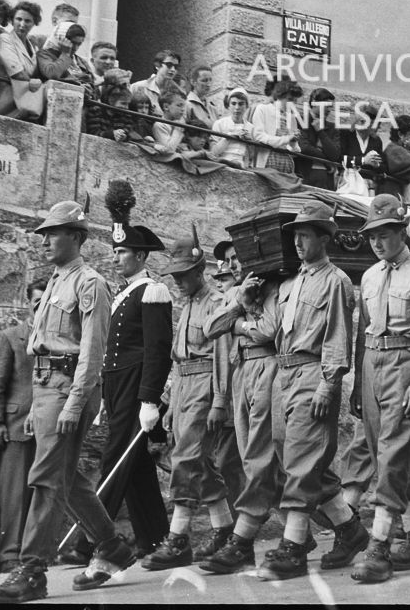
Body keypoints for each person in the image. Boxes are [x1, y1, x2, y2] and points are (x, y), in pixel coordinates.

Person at [0, 200, 136, 604]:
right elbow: (40, 347)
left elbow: (92, 349)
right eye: (45, 233)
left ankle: (32, 569)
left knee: (47, 477)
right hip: (46, 386)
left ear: (77, 237)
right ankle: (111, 546)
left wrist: (73, 402)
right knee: (66, 480)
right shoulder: (55, 280)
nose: (46, 239)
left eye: (54, 232)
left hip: (70, 386)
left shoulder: (90, 283)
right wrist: (37, 403)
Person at [259, 202, 366, 580]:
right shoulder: (291, 282)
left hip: (312, 373)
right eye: (296, 235)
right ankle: (350, 529)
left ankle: (294, 548)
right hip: (283, 372)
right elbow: (269, 330)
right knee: (294, 460)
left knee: (304, 460)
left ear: (324, 237)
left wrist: (329, 382)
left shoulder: (335, 280)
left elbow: (338, 334)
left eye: (306, 234)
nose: (299, 241)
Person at [67, 185, 173, 565]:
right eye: (113, 251)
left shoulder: (154, 291)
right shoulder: (123, 292)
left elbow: (157, 351)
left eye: (122, 252)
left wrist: (149, 398)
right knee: (137, 464)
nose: (115, 259)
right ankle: (158, 539)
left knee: (115, 459)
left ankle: (91, 541)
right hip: (116, 386)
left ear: (140, 255)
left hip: (135, 387)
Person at [350, 194, 410, 584]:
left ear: (401, 232)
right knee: (384, 454)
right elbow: (361, 333)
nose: (377, 242)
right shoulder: (370, 276)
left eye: (385, 233)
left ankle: (379, 546)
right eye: (372, 235)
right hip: (373, 366)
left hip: (406, 365)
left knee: (393, 455)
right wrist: (358, 385)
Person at [141, 229, 234, 570]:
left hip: (206, 386)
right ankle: (224, 529)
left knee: (186, 457)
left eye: (184, 274)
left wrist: (220, 400)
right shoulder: (189, 304)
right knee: (201, 464)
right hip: (183, 386)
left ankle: (178, 540)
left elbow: (223, 355)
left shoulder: (216, 303)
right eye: (175, 275)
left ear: (200, 271)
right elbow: (180, 357)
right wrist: (168, 400)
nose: (178, 281)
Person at [201, 240, 285, 573]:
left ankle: (243, 540)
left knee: (259, 458)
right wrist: (239, 301)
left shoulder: (272, 286)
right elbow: (210, 328)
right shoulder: (237, 292)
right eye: (229, 261)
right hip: (243, 373)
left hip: (268, 368)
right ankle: (342, 526)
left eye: (237, 258)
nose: (234, 265)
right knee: (259, 459)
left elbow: (267, 332)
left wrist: (241, 321)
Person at [0, 280, 45, 571]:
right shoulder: (10, 337)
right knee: (13, 494)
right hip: (16, 426)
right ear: (28, 303)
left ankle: (33, 554)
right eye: (36, 301)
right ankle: (10, 554)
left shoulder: (55, 337)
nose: (40, 305)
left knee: (41, 492)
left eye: (46, 300)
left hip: (47, 428)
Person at [209, 241, 246, 518]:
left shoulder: (241, 297)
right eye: (220, 277)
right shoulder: (226, 302)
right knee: (229, 464)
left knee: (229, 464)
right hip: (230, 396)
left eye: (228, 276)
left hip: (240, 395)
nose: (225, 281)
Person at [212, 86, 285, 169]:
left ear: (246, 106)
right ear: (228, 105)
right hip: (221, 162)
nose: (237, 108)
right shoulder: (219, 124)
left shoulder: (251, 128)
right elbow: (214, 152)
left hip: (241, 165)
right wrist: (230, 137)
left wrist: (249, 142)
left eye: (241, 104)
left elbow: (252, 156)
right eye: (233, 103)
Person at [295, 87, 342, 188]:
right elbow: (303, 148)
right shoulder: (300, 121)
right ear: (314, 102)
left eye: (331, 107)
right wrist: (327, 161)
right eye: (327, 106)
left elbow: (335, 155)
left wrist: (320, 132)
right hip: (304, 176)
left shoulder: (333, 128)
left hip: (326, 180)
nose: (329, 110)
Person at [339, 99, 384, 176]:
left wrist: (377, 165)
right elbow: (340, 159)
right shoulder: (346, 134)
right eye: (358, 119)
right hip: (348, 180)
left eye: (364, 121)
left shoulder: (376, 141)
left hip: (367, 184)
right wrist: (363, 161)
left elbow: (383, 167)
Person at [132, 48, 181, 113]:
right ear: (157, 65)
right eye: (169, 65)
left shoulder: (178, 93)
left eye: (176, 67)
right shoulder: (138, 87)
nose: (173, 69)